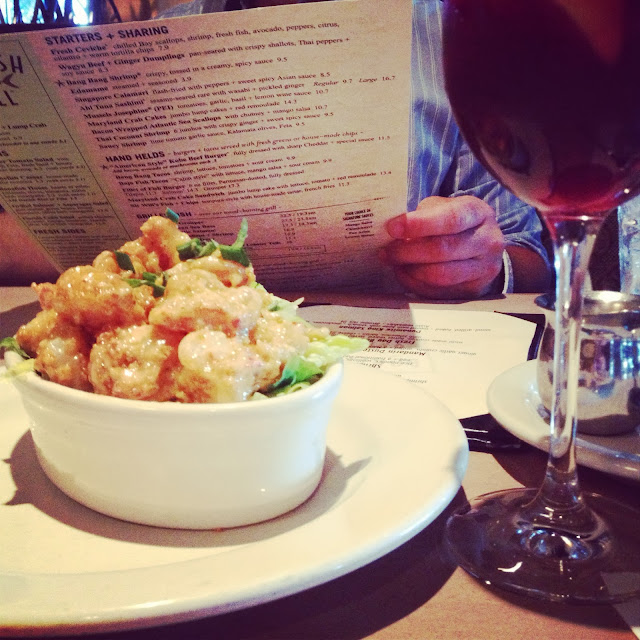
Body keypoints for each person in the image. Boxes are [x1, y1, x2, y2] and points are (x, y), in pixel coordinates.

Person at [1, 0, 552, 298]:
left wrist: (481, 262)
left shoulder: (455, 32)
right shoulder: (155, 39)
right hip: (186, 344)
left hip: (399, 353)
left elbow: (531, 254)